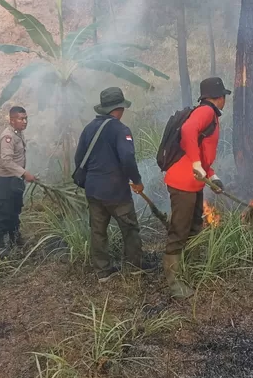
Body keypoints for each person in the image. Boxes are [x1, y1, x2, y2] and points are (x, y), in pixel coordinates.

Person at [74, 87, 154, 283]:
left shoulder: (89, 129)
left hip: (93, 189)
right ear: (119, 108)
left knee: (98, 231)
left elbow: (78, 159)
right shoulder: (121, 130)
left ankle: (103, 271)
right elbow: (127, 158)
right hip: (115, 190)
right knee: (129, 228)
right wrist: (137, 181)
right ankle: (135, 266)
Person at [163, 77, 230, 299]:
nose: (224, 101)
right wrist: (194, 163)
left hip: (194, 183)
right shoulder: (206, 112)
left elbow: (202, 154)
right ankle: (174, 284)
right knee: (179, 230)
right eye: (224, 97)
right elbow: (188, 131)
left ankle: (190, 267)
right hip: (183, 182)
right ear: (219, 98)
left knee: (194, 226)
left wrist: (213, 176)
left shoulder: (208, 115)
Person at [0, 106, 36, 257]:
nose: (24, 121)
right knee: (4, 213)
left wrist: (22, 175)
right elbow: (6, 161)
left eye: (26, 118)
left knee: (15, 210)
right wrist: (24, 173)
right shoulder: (7, 137)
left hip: (15, 179)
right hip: (5, 181)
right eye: (21, 119)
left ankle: (15, 239)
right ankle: (0, 246)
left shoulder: (18, 133)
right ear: (12, 120)